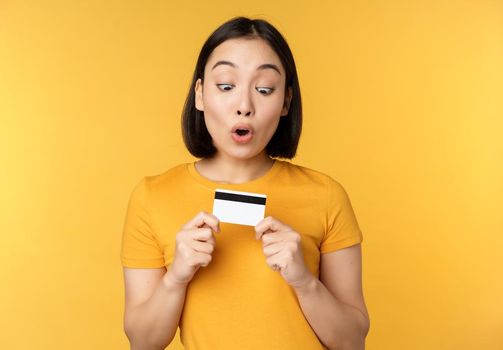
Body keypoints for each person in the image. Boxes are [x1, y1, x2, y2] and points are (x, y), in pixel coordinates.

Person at [121, 16, 369, 350]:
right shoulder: (153, 196)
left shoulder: (326, 195)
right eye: (226, 85)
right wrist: (176, 278)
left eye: (264, 89)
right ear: (199, 94)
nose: (244, 106)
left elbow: (352, 341)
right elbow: (142, 342)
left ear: (285, 102)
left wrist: (304, 282)